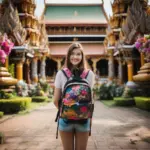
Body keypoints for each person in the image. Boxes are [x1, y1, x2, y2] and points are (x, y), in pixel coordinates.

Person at [53, 42, 95, 150]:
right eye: (72, 54)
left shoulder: (61, 74)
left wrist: (68, 111)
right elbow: (91, 99)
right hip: (84, 118)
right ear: (68, 56)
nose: (75, 57)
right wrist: (81, 112)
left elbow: (55, 100)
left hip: (65, 118)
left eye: (78, 54)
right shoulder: (89, 74)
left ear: (82, 56)